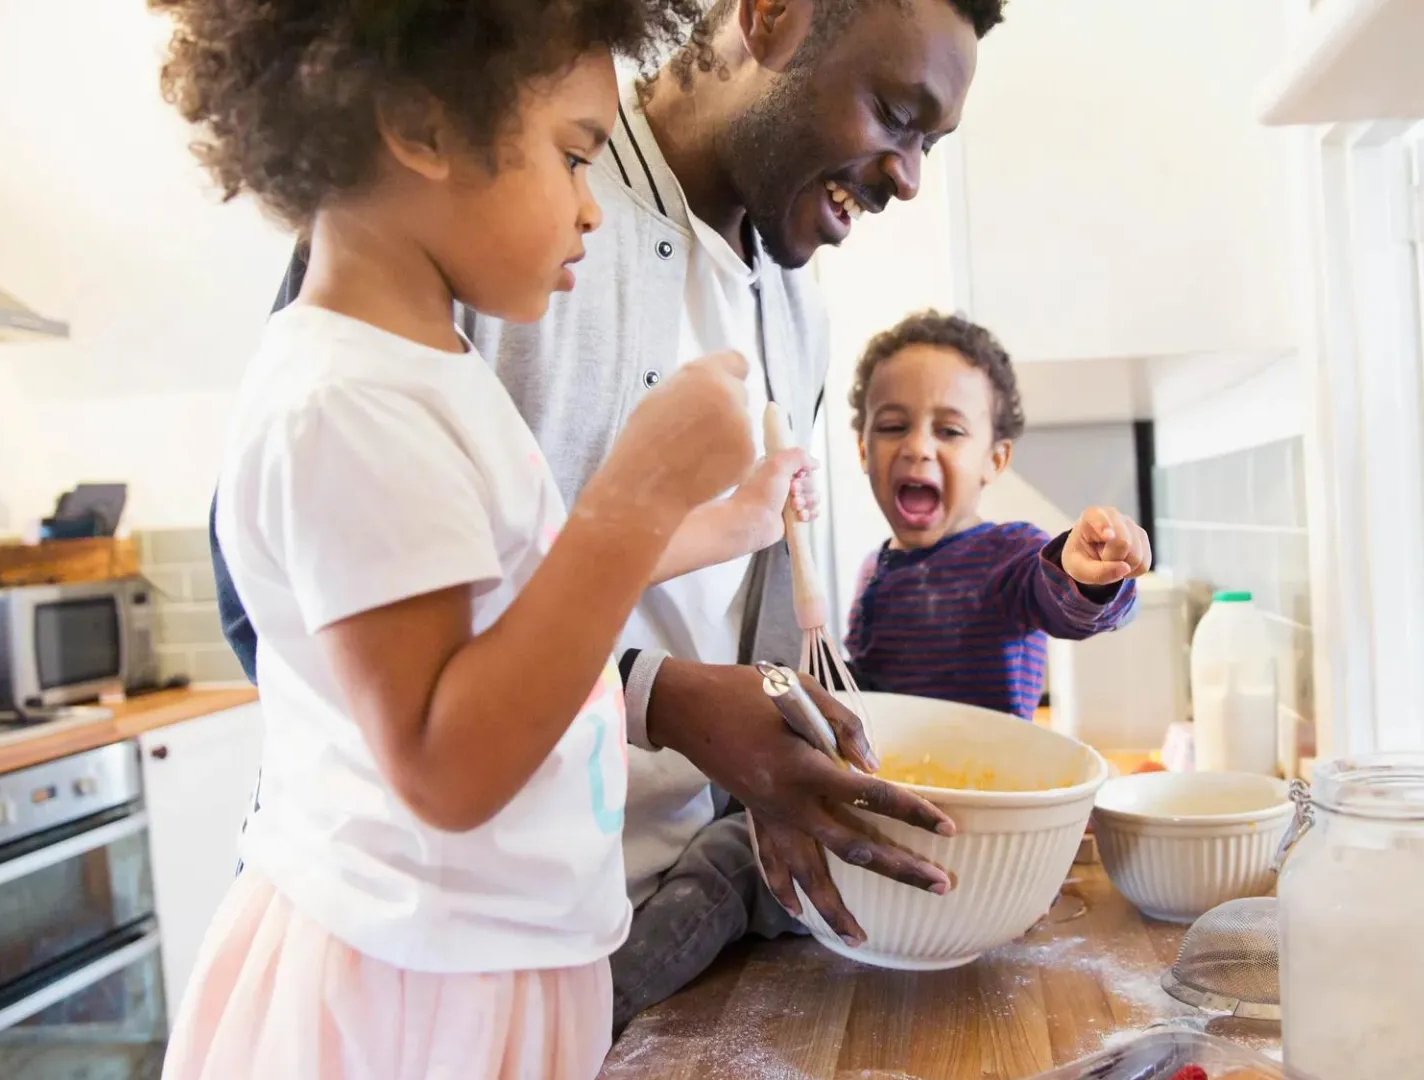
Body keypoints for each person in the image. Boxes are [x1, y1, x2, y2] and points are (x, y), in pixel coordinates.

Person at [208, 0, 1008, 1029]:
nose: (908, 175)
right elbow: (286, 610)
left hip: (642, 929)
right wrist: (658, 696)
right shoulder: (466, 204)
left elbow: (646, 576)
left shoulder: (797, 308)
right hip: (430, 959)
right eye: (898, 114)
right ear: (768, 17)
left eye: (930, 145)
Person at [148, 0, 802, 1074]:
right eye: (576, 157)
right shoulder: (345, 403)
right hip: (408, 995)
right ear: (423, 127)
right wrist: (633, 491)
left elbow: (517, 586)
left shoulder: (426, 371)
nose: (593, 211)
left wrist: (724, 519)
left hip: (477, 960)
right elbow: (446, 768)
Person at [844, 312, 1151, 720]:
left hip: (992, 781)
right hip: (892, 780)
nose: (917, 446)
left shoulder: (1008, 556)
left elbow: (1060, 600)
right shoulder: (872, 571)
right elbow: (875, 693)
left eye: (949, 431)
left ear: (995, 459)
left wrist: (1087, 577)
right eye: (893, 426)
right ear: (863, 450)